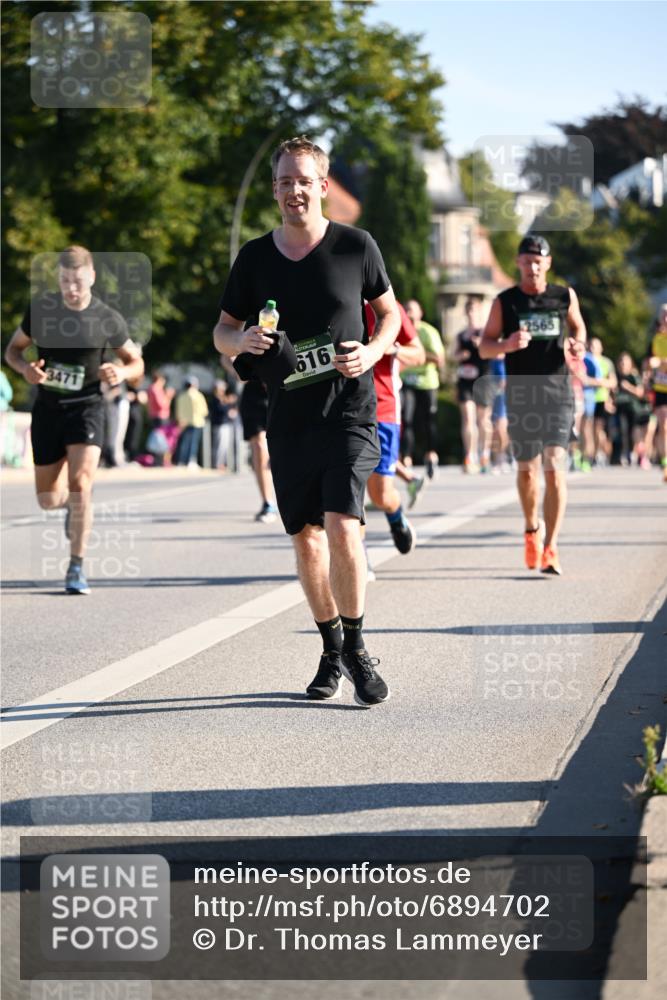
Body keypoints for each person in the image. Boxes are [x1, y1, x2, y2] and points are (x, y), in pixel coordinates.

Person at [213, 135, 400, 707]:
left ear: (322, 186)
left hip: (348, 411)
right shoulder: (254, 258)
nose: (294, 190)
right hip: (289, 418)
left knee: (343, 526)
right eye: (284, 182)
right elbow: (222, 331)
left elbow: (389, 314)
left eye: (303, 180)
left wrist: (372, 352)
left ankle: (358, 649)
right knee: (307, 540)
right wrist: (241, 340)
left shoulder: (356, 246)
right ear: (275, 191)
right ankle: (330, 647)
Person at [4, 245, 143, 594]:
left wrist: (122, 372)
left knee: (82, 484)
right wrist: (25, 370)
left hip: (88, 409)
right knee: (47, 499)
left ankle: (76, 566)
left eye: (78, 281)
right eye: (65, 280)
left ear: (91, 277)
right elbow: (13, 350)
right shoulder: (42, 311)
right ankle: (69, 505)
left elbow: (136, 363)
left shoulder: (107, 317)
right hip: (49, 410)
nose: (71, 288)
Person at [479, 234, 587, 576]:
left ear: (548, 263)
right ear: (518, 263)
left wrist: (578, 345)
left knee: (554, 467)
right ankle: (531, 529)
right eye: (527, 261)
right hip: (522, 394)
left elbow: (578, 328)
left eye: (538, 261)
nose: (533, 267)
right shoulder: (505, 302)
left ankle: (551, 547)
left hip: (558, 392)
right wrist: (507, 344)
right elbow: (484, 346)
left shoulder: (564, 296)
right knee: (527, 471)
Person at [364, 299, 425, 554]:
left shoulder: (386, 307)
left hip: (382, 408)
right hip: (338, 411)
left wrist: (392, 349)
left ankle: (396, 516)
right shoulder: (328, 303)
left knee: (380, 495)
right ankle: (358, 558)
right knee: (347, 495)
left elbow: (419, 354)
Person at [401, 299, 445, 479]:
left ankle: (431, 455)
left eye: (412, 310)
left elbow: (439, 359)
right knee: (406, 419)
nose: (408, 314)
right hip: (406, 380)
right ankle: (406, 459)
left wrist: (417, 354)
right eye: (406, 310)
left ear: (420, 313)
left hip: (427, 382)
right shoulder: (399, 330)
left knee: (429, 421)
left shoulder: (428, 332)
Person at [238, 378, 279, 523]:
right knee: (260, 446)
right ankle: (268, 502)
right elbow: (229, 363)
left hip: (284, 389)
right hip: (254, 395)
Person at [648, 303, 667, 482]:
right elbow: (649, 362)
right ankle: (665, 461)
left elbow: (659, 362)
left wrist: (660, 362)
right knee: (663, 425)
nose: (666, 318)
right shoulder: (656, 339)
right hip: (661, 388)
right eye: (663, 315)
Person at [174, 376, 208, 467]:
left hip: (183, 423)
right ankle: (191, 461)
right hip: (197, 422)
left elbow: (178, 411)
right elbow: (204, 410)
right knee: (193, 443)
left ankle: (181, 461)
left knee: (184, 442)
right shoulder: (198, 395)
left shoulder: (181, 396)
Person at [209, 379, 238, 471]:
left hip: (226, 424)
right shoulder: (215, 399)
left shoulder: (223, 398)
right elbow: (219, 409)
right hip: (219, 424)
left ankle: (222, 463)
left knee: (225, 446)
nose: (223, 390)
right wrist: (228, 403)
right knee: (219, 445)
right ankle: (217, 464)